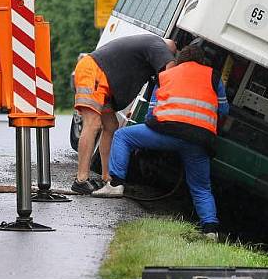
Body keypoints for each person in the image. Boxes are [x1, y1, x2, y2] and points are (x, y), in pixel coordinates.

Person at [92, 44, 228, 240]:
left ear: (180, 59)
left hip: (164, 131)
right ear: (202, 61)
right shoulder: (214, 77)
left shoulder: (165, 75)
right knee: (201, 187)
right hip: (198, 140)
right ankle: (210, 230)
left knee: (123, 136)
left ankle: (115, 185)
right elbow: (223, 111)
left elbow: (152, 111)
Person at [71, 34, 176, 195]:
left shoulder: (149, 52)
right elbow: (171, 74)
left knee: (111, 126)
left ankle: (107, 178)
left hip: (104, 81)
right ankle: (81, 180)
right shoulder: (159, 45)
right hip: (93, 73)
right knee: (92, 123)